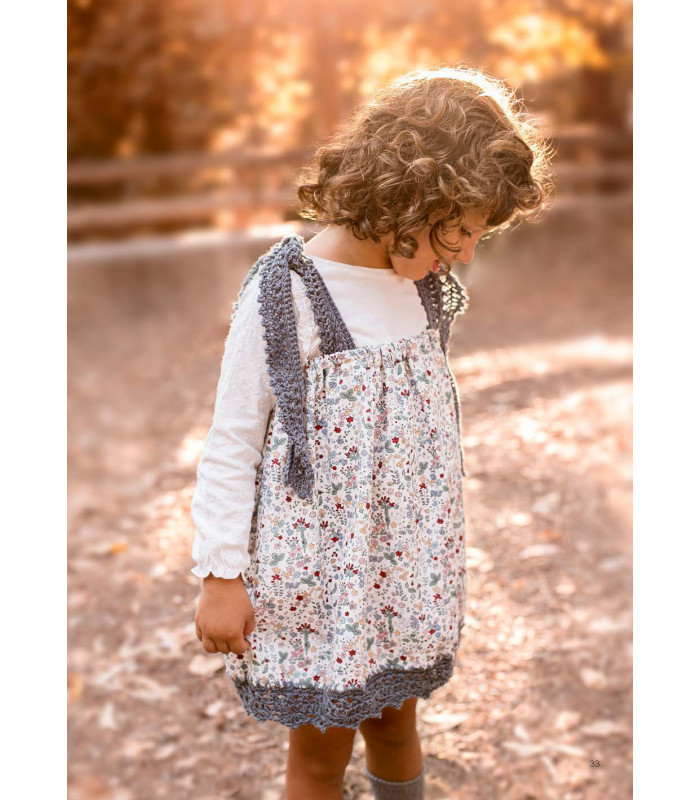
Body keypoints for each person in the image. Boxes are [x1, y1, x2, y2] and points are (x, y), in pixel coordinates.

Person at [190, 65, 552, 800]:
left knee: (394, 724)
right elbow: (233, 441)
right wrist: (221, 576)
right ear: (411, 194)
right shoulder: (287, 292)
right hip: (323, 580)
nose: (466, 254)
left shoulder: (419, 286)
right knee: (321, 758)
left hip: (405, 568)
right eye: (462, 230)